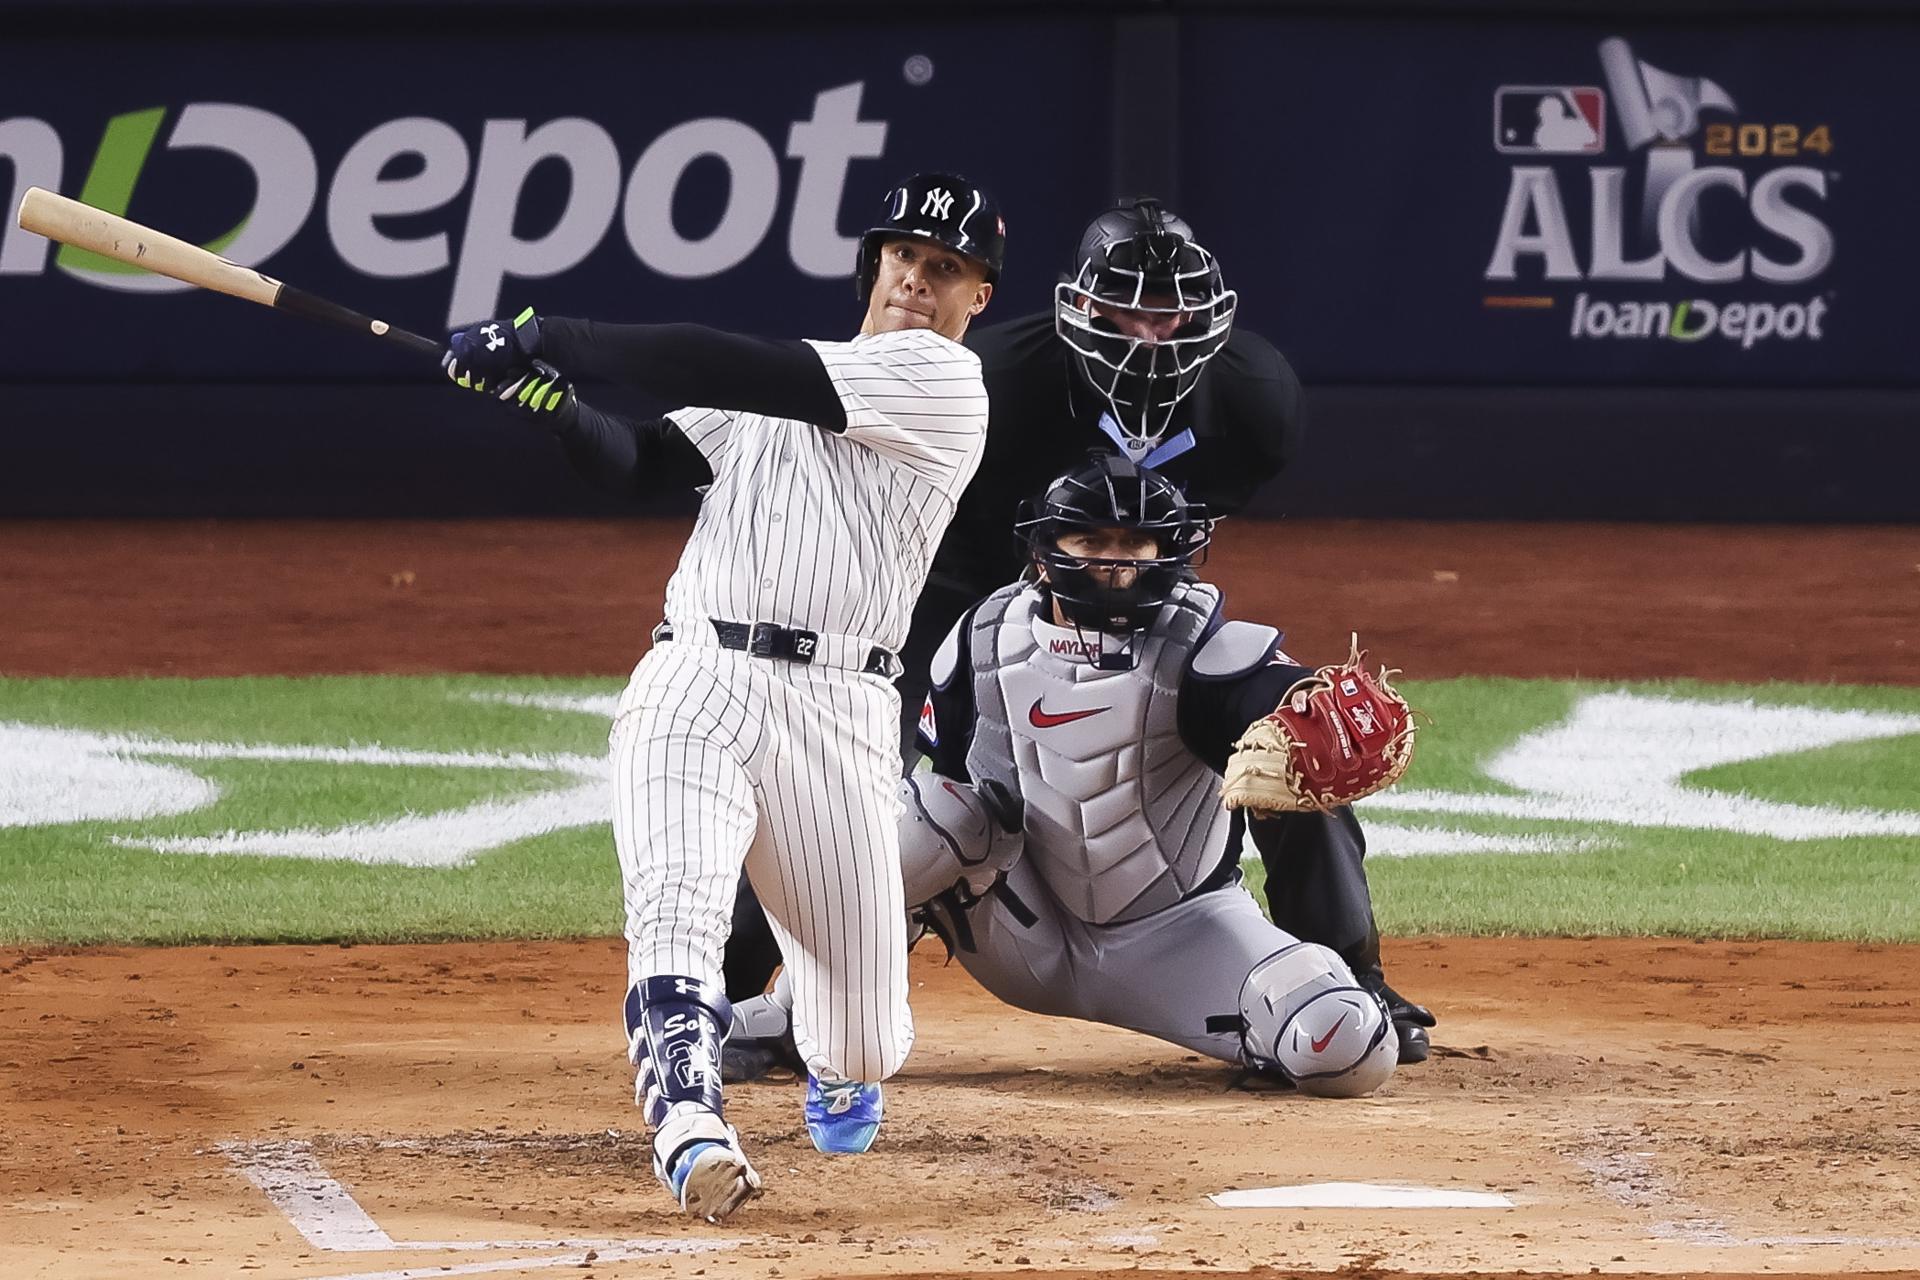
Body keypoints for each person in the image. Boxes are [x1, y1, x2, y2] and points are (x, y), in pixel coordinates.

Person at [439, 172, 1005, 1221]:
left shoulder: (939, 385)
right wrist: (552, 405)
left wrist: (547, 332)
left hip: (839, 716)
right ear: (872, 262)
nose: (917, 280)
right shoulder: (787, 385)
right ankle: (689, 1120)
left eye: (946, 269)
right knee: (677, 906)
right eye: (904, 257)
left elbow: (721, 360)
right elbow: (642, 459)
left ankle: (830, 1047)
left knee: (867, 1034)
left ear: (976, 299)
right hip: (696, 673)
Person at [721, 198, 1335, 1016]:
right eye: (1126, 310)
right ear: (1078, 305)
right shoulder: (997, 387)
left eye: (1170, 314)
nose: (1150, 334)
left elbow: (1189, 534)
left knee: (1290, 741)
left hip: (1133, 604)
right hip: (947, 597)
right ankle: (717, 986)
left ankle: (1345, 968)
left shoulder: (1256, 402)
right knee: (850, 779)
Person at [727, 455, 1421, 1096]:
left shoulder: (1209, 648)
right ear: (1045, 551)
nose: (1115, 563)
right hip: (1019, 931)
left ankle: (1326, 996)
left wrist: (1301, 701)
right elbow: (892, 826)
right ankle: (798, 1012)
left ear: (1168, 552)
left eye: (1135, 544)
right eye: (1093, 542)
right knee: (932, 811)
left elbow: (1270, 694)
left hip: (1181, 938)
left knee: (1347, 1048)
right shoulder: (982, 638)